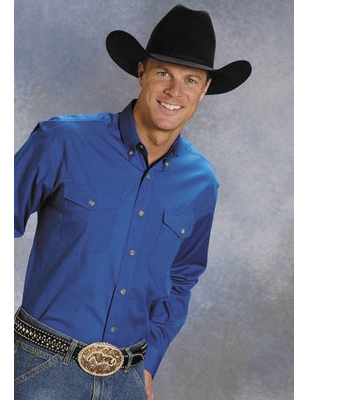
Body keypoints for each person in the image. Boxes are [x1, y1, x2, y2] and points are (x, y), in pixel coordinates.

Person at [14, 4, 251, 400]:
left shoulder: (201, 183)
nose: (175, 92)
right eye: (164, 73)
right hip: (39, 371)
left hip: (128, 380)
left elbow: (181, 278)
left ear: (205, 89)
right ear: (142, 71)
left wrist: (150, 362)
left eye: (191, 79)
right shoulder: (63, 141)